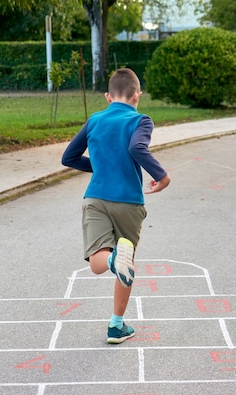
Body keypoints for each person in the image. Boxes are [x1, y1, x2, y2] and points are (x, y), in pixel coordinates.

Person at [61, 68, 171, 344]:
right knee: (127, 262)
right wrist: (161, 175)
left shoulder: (95, 119)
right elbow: (136, 149)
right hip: (128, 202)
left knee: (100, 261)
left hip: (96, 198)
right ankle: (116, 324)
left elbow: (69, 157)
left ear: (108, 97)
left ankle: (111, 260)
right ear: (137, 95)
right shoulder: (140, 120)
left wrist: (98, 167)